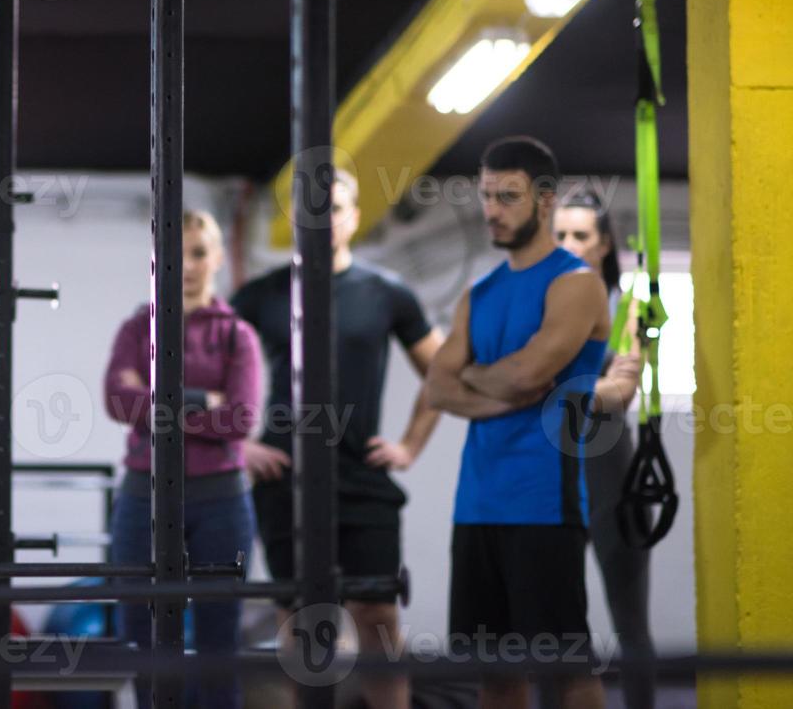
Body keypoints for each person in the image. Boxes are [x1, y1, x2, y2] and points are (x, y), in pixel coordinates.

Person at [230, 167, 443, 709]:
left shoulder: (387, 293)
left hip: (361, 482)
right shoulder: (259, 296)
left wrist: (410, 446)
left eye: (336, 209)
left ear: (353, 217)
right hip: (285, 481)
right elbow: (201, 379)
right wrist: (239, 444)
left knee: (377, 620)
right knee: (302, 624)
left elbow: (442, 375)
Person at [425, 136, 610, 709]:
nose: (492, 210)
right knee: (494, 676)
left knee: (565, 671)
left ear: (546, 200)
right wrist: (502, 388)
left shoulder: (576, 284)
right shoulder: (478, 294)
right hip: (477, 505)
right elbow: (437, 386)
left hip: (544, 505)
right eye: (486, 196)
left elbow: (530, 372)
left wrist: (477, 375)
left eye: (508, 196)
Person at [103, 208, 263, 709]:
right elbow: (116, 401)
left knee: (218, 644)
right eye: (174, 254)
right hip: (141, 496)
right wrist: (202, 400)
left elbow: (238, 421)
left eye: (197, 253)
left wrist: (155, 402)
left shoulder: (238, 336)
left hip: (220, 500)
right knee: (140, 637)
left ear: (216, 258)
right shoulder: (137, 329)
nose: (186, 265)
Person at [553, 190, 654, 709]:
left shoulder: (627, 304)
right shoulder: (540, 303)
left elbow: (624, 387)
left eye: (581, 236)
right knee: (552, 631)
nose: (569, 245)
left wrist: (550, 384)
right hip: (551, 476)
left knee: (630, 623)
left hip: (612, 472)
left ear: (604, 243)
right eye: (560, 235)